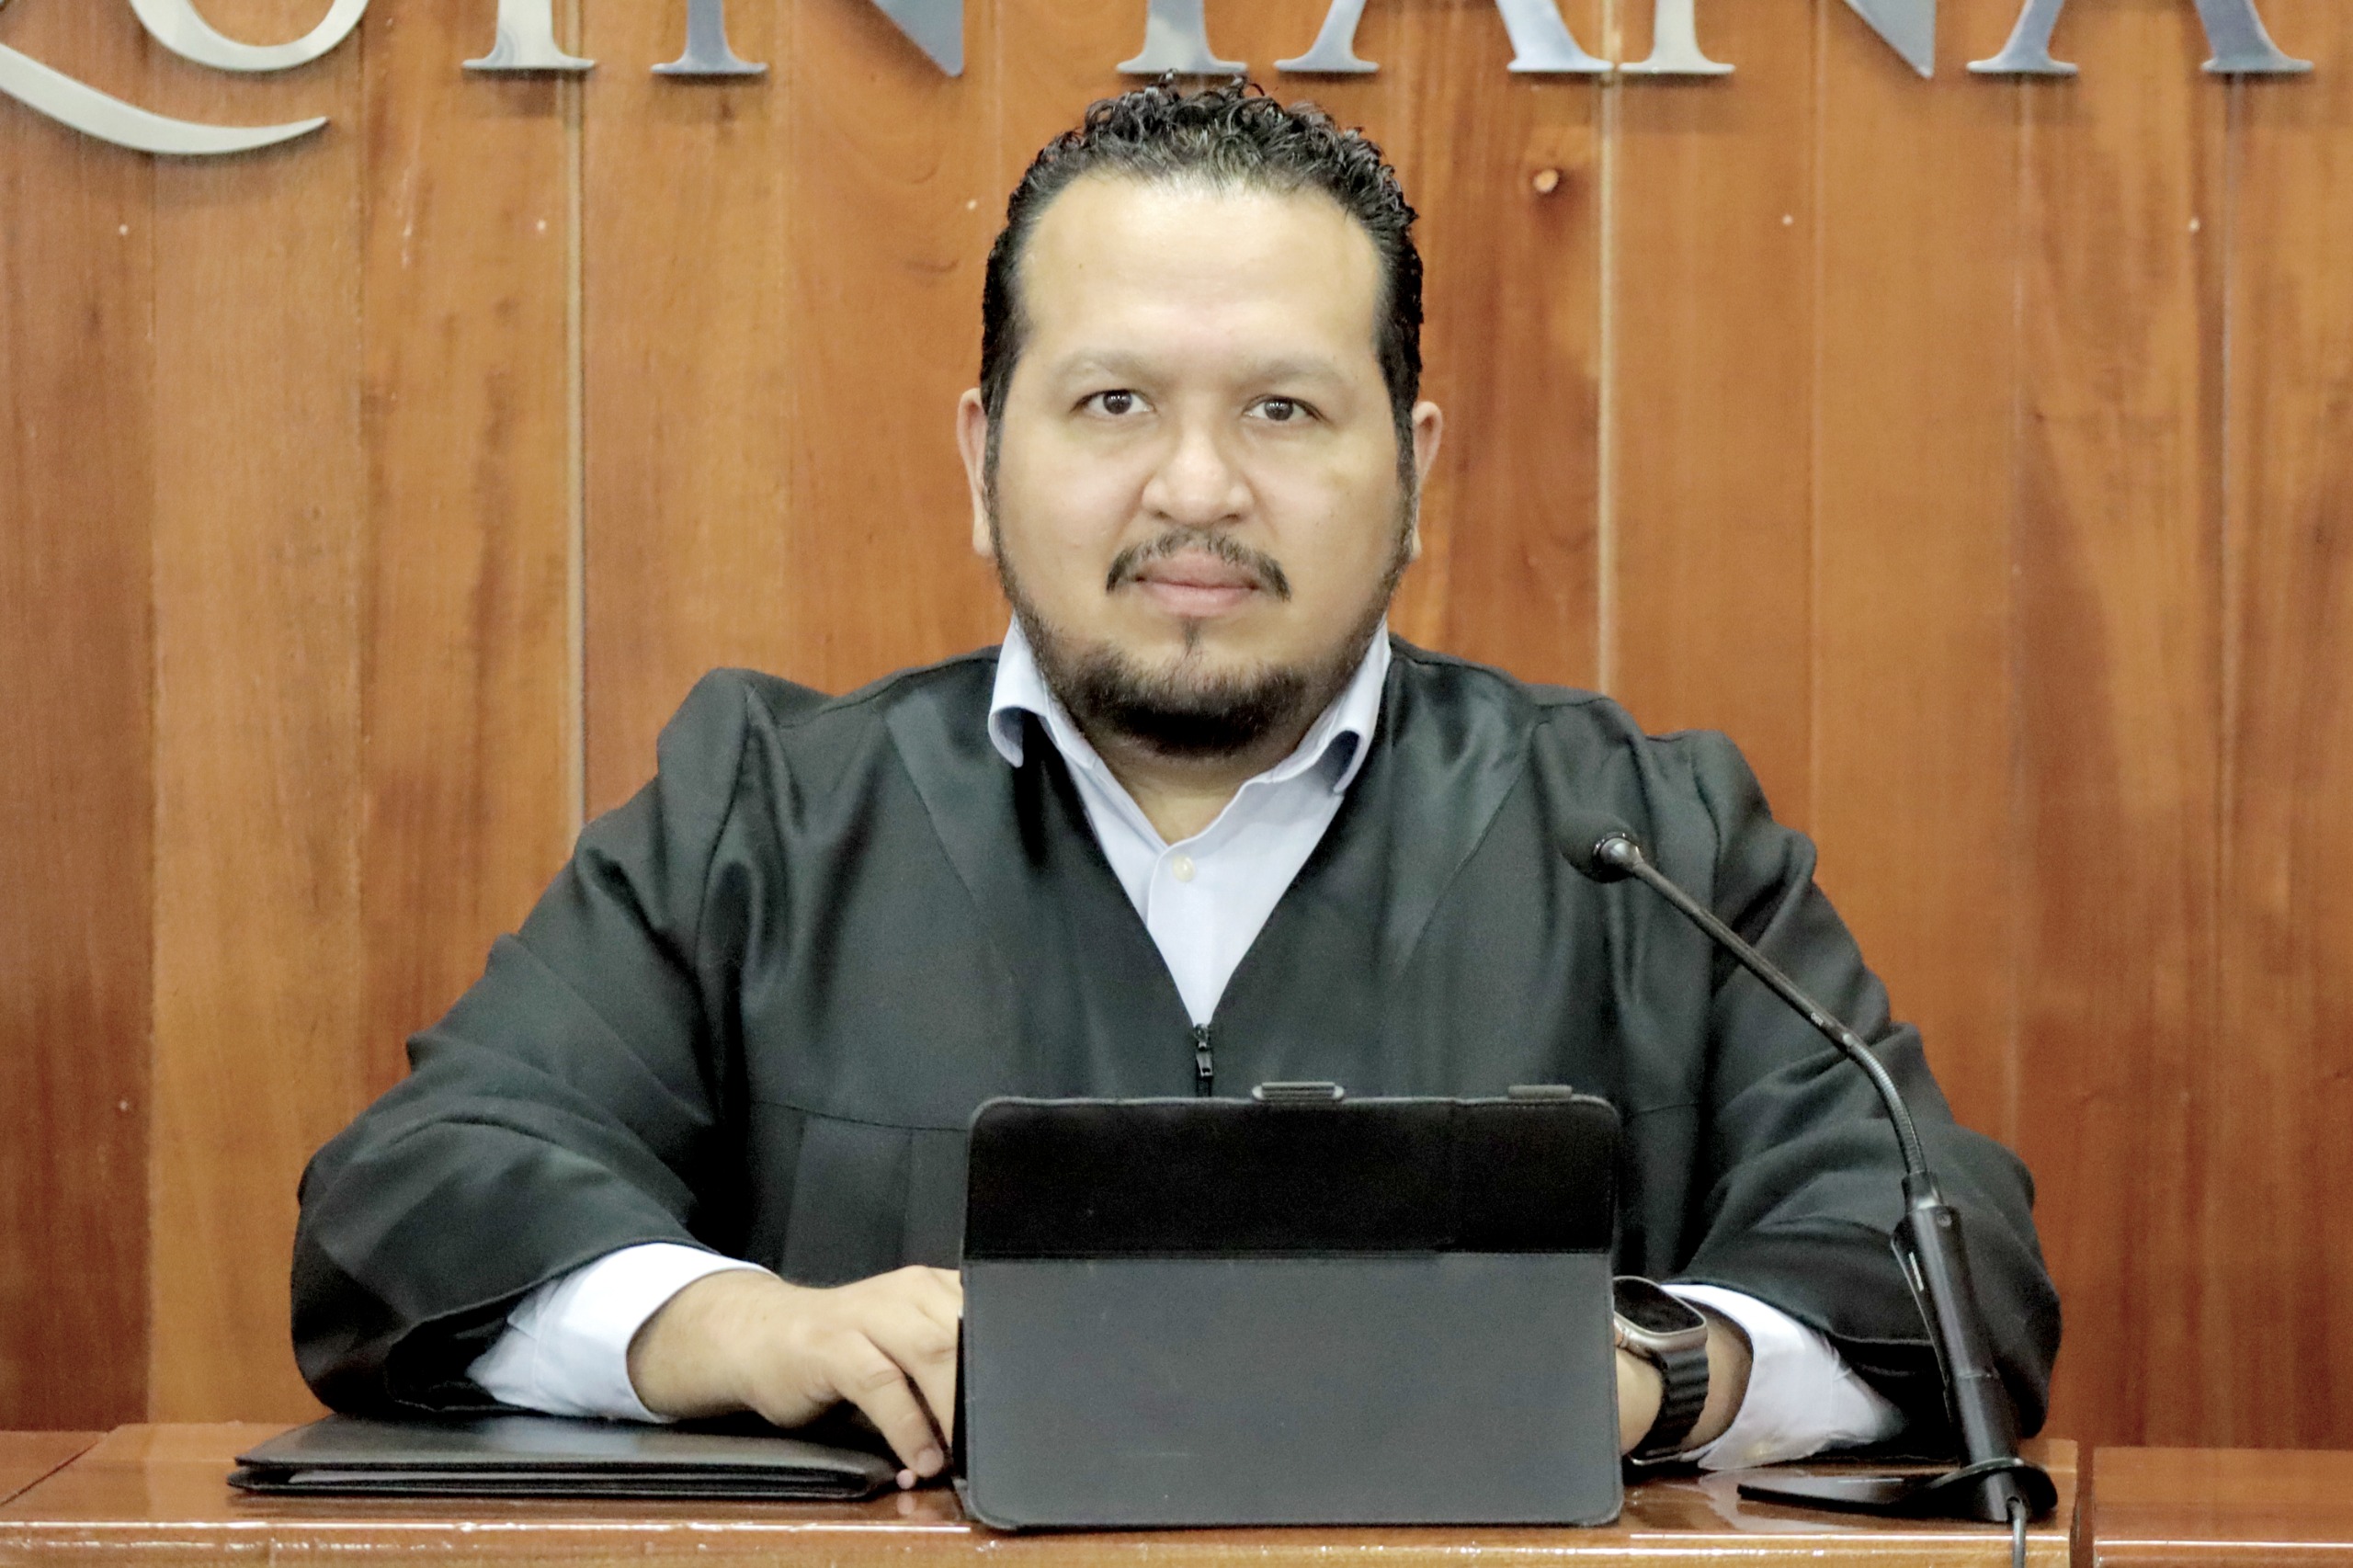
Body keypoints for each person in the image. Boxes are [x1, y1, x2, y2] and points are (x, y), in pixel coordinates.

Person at [293, 82, 2060, 1493]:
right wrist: (730, 1328)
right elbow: (414, 1195)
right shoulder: (765, 823)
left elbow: (1947, 1247)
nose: (1196, 488)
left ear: (1412, 468)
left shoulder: (1645, 842)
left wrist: (1663, 1367)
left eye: (1284, 410)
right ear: (983, 454)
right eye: (1114, 402)